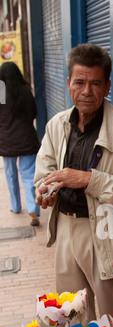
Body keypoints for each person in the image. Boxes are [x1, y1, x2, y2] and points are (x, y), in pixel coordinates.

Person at [34, 44, 113, 323]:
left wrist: (89, 179)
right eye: (79, 82)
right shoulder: (56, 125)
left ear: (107, 86)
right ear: (68, 84)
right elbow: (44, 174)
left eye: (95, 83)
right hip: (65, 228)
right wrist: (44, 191)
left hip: (106, 229)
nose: (86, 91)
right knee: (72, 318)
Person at [0, 62, 40, 226]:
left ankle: (16, 206)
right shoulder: (25, 91)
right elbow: (34, 113)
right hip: (27, 139)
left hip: (6, 141)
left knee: (10, 174)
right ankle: (33, 209)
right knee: (29, 176)